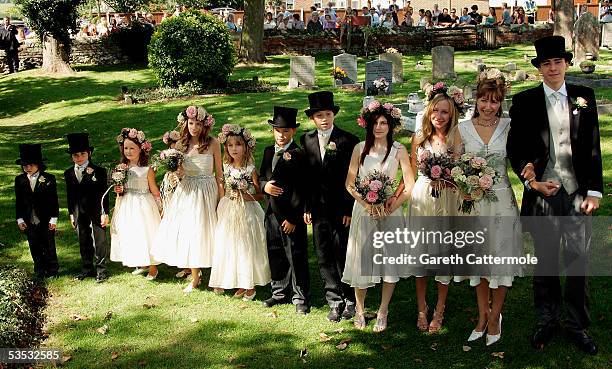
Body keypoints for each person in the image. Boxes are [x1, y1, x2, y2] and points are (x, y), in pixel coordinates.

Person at [507, 35, 602, 356]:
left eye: (557, 62)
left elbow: (592, 149)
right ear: (539, 69)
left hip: (577, 193)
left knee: (578, 261)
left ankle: (576, 325)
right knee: (546, 261)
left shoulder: (583, 97)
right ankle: (546, 319)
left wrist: (595, 191)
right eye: (546, 63)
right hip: (543, 195)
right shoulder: (523, 102)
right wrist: (529, 177)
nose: (552, 68)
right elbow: (515, 149)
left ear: (566, 63)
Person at [453, 70, 521, 346]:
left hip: (502, 202)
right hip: (474, 204)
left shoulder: (509, 126)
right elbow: (455, 166)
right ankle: (482, 315)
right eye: (483, 100)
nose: (488, 106)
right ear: (476, 100)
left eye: (494, 101)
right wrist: (464, 189)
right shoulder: (463, 129)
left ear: (500, 102)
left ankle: (495, 316)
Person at [342, 100, 414, 332]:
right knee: (362, 260)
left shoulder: (399, 150)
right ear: (368, 125)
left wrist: (391, 206)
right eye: (375, 123)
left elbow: (410, 186)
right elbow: (350, 184)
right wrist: (367, 204)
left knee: (390, 262)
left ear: (391, 125)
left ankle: (383, 311)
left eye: (384, 123)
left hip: (390, 214)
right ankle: (361, 310)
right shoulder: (359, 148)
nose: (379, 127)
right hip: (364, 212)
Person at [300, 92, 359, 322]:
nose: (324, 119)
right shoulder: (307, 140)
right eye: (318, 115)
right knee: (323, 253)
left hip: (340, 206)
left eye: (327, 114)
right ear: (313, 118)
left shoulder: (348, 140)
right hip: (317, 208)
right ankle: (334, 300)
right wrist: (306, 206)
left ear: (333, 114)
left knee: (343, 251)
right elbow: (305, 177)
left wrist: (349, 208)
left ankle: (350, 298)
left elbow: (353, 177)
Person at [407, 85, 461, 333]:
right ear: (429, 112)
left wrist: (449, 178)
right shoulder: (418, 138)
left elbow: (462, 172)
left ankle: (439, 308)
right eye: (436, 111)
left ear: (452, 115)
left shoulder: (456, 138)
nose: (440, 116)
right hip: (422, 198)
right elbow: (409, 173)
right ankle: (421, 308)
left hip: (447, 199)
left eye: (445, 112)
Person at [153, 106, 224, 293]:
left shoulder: (213, 143)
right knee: (191, 232)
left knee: (211, 232)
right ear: (185, 123)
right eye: (191, 123)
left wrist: (222, 199)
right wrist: (174, 170)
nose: (194, 127)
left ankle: (218, 275)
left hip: (208, 190)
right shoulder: (180, 145)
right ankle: (194, 277)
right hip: (188, 191)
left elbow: (219, 173)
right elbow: (180, 173)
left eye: (198, 124)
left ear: (205, 125)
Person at [209, 124, 270, 300]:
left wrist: (244, 195)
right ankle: (232, 279)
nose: (234, 149)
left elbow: (260, 196)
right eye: (230, 145)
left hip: (248, 210)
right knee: (229, 244)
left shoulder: (250, 169)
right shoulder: (226, 167)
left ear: (246, 146)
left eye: (238, 144)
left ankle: (248, 285)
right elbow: (223, 186)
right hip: (230, 208)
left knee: (246, 246)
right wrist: (225, 200)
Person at [259, 106, 311, 315]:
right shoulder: (268, 151)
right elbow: (262, 176)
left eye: (286, 130)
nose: (282, 135)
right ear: (273, 131)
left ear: (293, 132)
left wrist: (293, 218)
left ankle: (300, 297)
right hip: (271, 213)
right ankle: (279, 291)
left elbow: (302, 189)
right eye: (278, 130)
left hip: (291, 217)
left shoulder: (298, 154)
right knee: (275, 252)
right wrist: (264, 187)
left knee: (295, 255)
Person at [110, 129, 161, 280]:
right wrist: (118, 189)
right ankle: (142, 262)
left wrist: (160, 204)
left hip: (143, 204)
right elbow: (119, 188)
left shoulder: (147, 169)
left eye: (132, 148)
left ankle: (153, 267)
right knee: (133, 233)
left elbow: (153, 189)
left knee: (147, 233)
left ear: (141, 149)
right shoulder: (121, 168)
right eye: (126, 148)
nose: (129, 151)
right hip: (127, 204)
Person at [64, 133, 110, 283]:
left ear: (89, 153)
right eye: (75, 155)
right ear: (72, 156)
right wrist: (71, 213)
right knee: (83, 239)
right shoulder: (69, 173)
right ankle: (87, 268)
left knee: (100, 240)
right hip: (79, 211)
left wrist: (105, 213)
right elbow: (70, 195)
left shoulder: (99, 171)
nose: (79, 158)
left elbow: (104, 195)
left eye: (82, 154)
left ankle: (102, 270)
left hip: (96, 210)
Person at [15, 144, 59, 279]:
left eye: (31, 165)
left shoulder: (48, 179)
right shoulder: (20, 180)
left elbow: (54, 200)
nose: (28, 168)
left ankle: (52, 269)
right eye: (25, 165)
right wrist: (20, 218)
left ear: (39, 164)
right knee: (34, 244)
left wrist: (54, 218)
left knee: (48, 244)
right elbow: (19, 201)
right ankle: (39, 269)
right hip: (29, 218)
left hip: (45, 217)